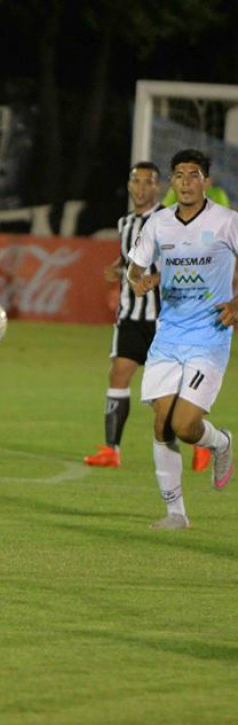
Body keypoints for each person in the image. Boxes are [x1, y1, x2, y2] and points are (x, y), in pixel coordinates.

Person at [127, 149, 238, 530]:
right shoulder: (158, 224)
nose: (186, 182)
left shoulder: (227, 222)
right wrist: (138, 280)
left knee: (186, 426)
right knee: (162, 423)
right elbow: (136, 266)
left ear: (206, 182)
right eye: (179, 175)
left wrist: (237, 302)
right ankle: (176, 513)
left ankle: (220, 442)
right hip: (168, 335)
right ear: (172, 183)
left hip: (209, 335)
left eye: (194, 175)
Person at [83, 162, 211, 471]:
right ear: (129, 186)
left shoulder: (170, 220)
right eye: (136, 181)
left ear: (158, 188)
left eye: (148, 182)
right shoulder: (126, 223)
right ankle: (111, 449)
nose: (141, 188)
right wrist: (118, 267)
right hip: (130, 315)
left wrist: (157, 278)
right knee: (119, 373)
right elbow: (131, 255)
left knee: (163, 395)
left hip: (164, 318)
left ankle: (201, 441)